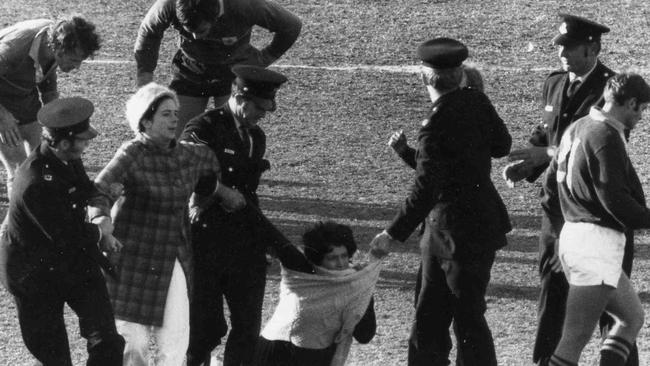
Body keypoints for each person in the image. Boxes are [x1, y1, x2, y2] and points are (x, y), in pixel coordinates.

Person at [501, 14, 639, 365]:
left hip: (594, 215)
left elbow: (583, 149)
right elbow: (547, 132)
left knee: (613, 310)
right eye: (560, 47)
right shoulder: (555, 83)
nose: (562, 53)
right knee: (554, 294)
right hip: (557, 213)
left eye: (569, 48)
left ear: (592, 49)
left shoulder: (611, 92)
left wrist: (544, 155)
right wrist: (528, 164)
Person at [369, 38, 512, 366]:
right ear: (460, 74)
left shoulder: (433, 126)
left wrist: (392, 233)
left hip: (445, 235)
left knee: (433, 321)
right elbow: (501, 145)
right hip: (480, 228)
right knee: (468, 319)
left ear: (424, 78)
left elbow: (426, 187)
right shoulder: (477, 102)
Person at [87, 83, 245, 366]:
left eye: (175, 113)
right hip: (131, 258)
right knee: (130, 341)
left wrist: (219, 193)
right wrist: (101, 220)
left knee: (174, 340)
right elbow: (99, 189)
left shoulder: (190, 155)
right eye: (165, 114)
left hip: (173, 257)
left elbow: (209, 175)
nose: (174, 119)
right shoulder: (132, 153)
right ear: (145, 121)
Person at [0, 97, 124, 366]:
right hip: (34, 275)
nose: (87, 144)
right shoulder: (33, 181)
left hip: (71, 259)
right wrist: (102, 231)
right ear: (65, 142)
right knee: (55, 358)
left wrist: (101, 199)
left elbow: (82, 186)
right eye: (83, 139)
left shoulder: (67, 158)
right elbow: (65, 235)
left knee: (108, 341)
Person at [179, 65, 286, 366]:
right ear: (241, 97)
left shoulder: (256, 137)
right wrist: (222, 192)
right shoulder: (202, 129)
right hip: (206, 241)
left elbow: (248, 194)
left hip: (244, 243)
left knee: (247, 329)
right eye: (261, 108)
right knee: (206, 328)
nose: (264, 114)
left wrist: (263, 239)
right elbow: (187, 172)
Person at [541, 72, 650, 366]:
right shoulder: (605, 136)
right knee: (573, 339)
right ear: (630, 103)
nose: (641, 118)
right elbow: (615, 201)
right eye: (642, 109)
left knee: (631, 318)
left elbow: (550, 186)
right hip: (595, 245)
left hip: (578, 238)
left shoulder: (578, 127)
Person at [134, 0, 302, 137]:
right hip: (191, 71)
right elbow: (149, 31)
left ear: (216, 17)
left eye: (201, 30)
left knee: (233, 139)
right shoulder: (170, 4)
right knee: (174, 139)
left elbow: (291, 25)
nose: (195, 37)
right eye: (189, 31)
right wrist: (145, 73)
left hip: (233, 75)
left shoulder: (245, 5)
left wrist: (264, 58)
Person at [254, 221, 379, 366]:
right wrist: (230, 198)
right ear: (319, 259)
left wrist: (365, 289)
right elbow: (269, 231)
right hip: (274, 352)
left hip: (314, 357)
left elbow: (364, 336)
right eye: (332, 258)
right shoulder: (300, 272)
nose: (340, 263)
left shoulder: (355, 284)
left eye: (344, 256)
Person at [0, 15, 101, 196]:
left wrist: (62, 122)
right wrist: (2, 116)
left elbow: (47, 83)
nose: (77, 67)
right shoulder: (13, 49)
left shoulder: (53, 41)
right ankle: (15, 223)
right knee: (20, 170)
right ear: (60, 50)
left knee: (41, 162)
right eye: (75, 60)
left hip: (22, 96)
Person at [388, 64, 485, 166]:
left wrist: (405, 152)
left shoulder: (440, 123)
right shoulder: (482, 118)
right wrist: (405, 152)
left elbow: (431, 169)